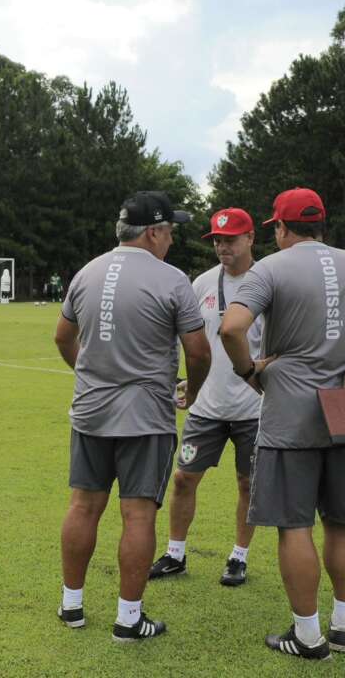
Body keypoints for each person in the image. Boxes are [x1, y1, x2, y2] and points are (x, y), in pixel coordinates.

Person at [220, 188, 345, 660]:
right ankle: (343, 627)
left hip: (289, 415)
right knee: (343, 524)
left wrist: (249, 370)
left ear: (282, 229)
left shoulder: (270, 267)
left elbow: (230, 328)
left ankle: (307, 636)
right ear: (321, 225)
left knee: (294, 526)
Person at [54, 191, 210, 641]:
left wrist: (89, 371)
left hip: (90, 411)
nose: (173, 239)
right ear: (154, 231)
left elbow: (63, 338)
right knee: (138, 516)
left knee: (83, 506)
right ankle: (128, 618)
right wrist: (192, 391)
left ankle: (72, 606)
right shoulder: (173, 279)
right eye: (170, 231)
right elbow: (198, 352)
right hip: (145, 416)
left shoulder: (87, 272)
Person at [149, 208, 264, 587]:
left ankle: (238, 557)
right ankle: (176, 553)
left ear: (250, 239)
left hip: (254, 409)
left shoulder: (269, 283)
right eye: (216, 239)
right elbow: (193, 341)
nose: (221, 246)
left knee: (248, 484)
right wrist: (188, 381)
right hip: (207, 407)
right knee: (183, 478)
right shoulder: (200, 284)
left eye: (229, 239)